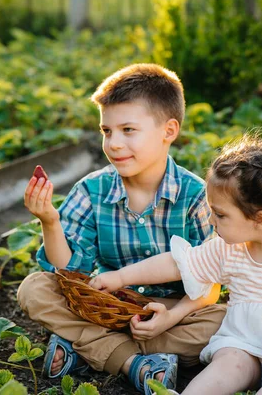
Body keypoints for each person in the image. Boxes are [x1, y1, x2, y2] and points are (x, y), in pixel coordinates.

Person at [89, 133, 262, 395]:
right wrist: (121, 277)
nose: (211, 221)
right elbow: (177, 264)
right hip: (244, 343)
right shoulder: (228, 248)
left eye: (220, 215)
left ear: (260, 220)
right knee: (227, 364)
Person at [17, 63, 226, 395]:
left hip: (170, 310)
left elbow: (210, 283)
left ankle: (86, 347)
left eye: (128, 130)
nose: (113, 144)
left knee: (223, 320)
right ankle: (138, 363)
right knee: (34, 289)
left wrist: (173, 316)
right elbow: (68, 272)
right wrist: (50, 222)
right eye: (106, 131)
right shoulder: (91, 190)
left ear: (168, 131)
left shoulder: (196, 196)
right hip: (104, 304)